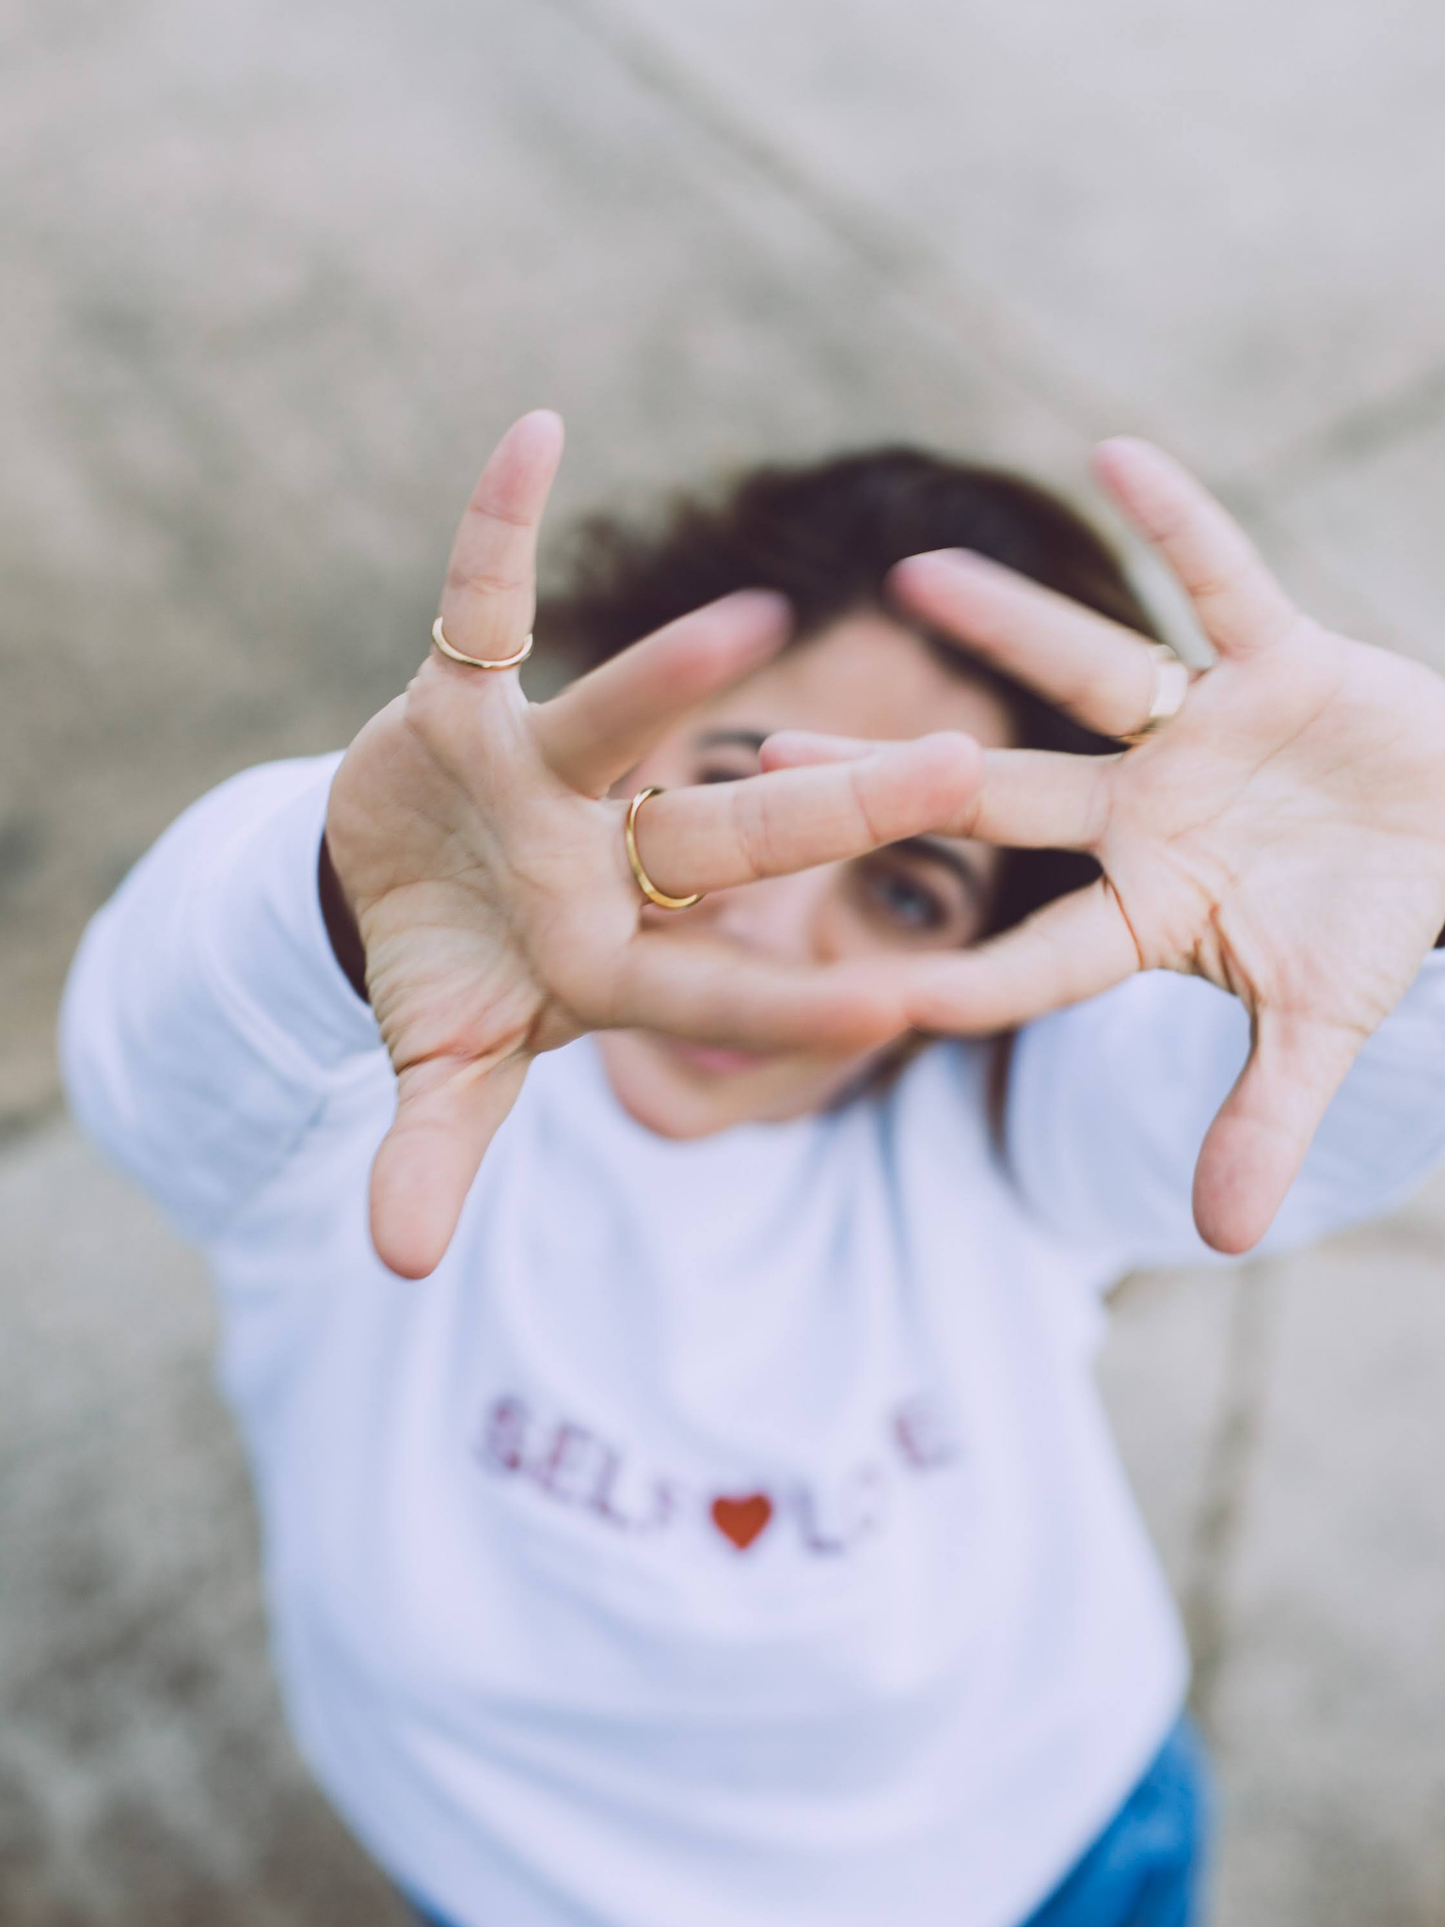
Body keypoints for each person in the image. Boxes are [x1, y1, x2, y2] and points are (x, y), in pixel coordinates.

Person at [60, 410, 1445, 1927]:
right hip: (527, 1879)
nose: (779, 930)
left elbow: (1306, 1093)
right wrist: (335, 898)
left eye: (912, 891)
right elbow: (169, 1042)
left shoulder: (1005, 1111)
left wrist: (1423, 916)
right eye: (740, 798)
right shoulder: (370, 1093)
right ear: (616, 724)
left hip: (1060, 1846)